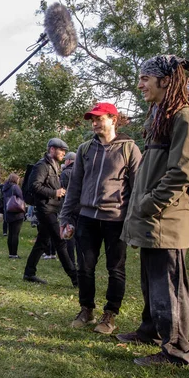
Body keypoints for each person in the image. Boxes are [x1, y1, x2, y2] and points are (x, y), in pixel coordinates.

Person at [119, 55, 189, 366]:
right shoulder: (162, 115)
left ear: (165, 80)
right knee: (152, 281)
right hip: (151, 219)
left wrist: (150, 203)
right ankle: (151, 331)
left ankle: (176, 352)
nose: (140, 84)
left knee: (168, 287)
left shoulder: (185, 116)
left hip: (165, 219)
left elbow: (183, 172)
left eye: (145, 78)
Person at [60, 102, 141, 335]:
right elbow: (74, 186)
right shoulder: (85, 149)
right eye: (92, 120)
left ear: (113, 120)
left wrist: (135, 222)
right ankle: (86, 309)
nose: (94, 123)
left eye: (99, 119)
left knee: (115, 268)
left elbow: (137, 189)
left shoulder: (130, 148)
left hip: (116, 219)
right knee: (84, 267)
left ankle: (110, 315)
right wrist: (65, 218)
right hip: (86, 217)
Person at [23, 138, 77, 286]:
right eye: (62, 150)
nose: (64, 154)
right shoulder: (42, 165)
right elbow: (34, 186)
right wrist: (55, 192)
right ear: (52, 149)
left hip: (52, 208)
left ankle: (29, 272)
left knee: (42, 242)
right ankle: (75, 278)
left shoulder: (54, 166)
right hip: (45, 209)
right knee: (60, 242)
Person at [60, 152, 77, 271]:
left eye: (66, 160)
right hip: (81, 208)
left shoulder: (65, 173)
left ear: (69, 161)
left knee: (69, 234)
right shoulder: (82, 171)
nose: (64, 161)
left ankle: (71, 261)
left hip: (69, 207)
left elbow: (64, 192)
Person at [2, 173, 25, 259]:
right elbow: (21, 197)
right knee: (15, 234)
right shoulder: (15, 187)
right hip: (17, 212)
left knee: (10, 233)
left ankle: (11, 253)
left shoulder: (5, 188)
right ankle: (14, 253)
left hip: (8, 212)